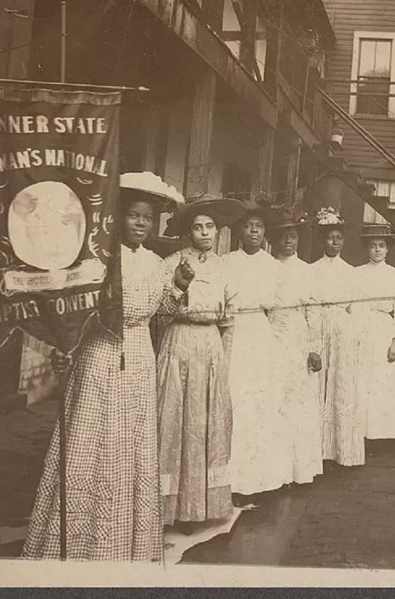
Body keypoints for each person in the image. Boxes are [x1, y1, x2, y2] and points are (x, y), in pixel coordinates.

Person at [22, 172, 192, 561]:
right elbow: (74, 309)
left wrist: (179, 286)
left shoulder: (156, 263)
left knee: (130, 446)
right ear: (120, 216)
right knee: (91, 443)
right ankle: (82, 544)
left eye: (147, 218)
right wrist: (66, 346)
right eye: (133, 215)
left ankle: (124, 544)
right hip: (100, 355)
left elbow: (161, 314)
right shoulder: (99, 258)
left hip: (139, 357)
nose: (140, 224)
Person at [156, 193, 245, 534]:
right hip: (179, 341)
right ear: (187, 232)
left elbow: (231, 317)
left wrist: (223, 358)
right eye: (198, 227)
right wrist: (180, 287)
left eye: (210, 227)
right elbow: (162, 309)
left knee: (205, 422)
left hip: (210, 345)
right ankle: (170, 506)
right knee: (174, 419)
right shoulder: (173, 263)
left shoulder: (225, 268)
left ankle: (200, 506)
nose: (205, 233)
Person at [222, 198, 291, 500]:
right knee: (234, 400)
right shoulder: (226, 262)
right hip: (233, 332)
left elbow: (278, 309)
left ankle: (261, 479)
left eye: (259, 227)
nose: (253, 231)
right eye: (248, 227)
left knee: (260, 403)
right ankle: (230, 480)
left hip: (260, 335)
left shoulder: (273, 265)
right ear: (239, 232)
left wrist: (275, 346)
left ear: (265, 233)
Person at [267, 206, 323, 485]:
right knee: (274, 400)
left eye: (293, 236)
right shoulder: (268, 267)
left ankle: (299, 470)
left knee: (298, 402)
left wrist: (315, 347)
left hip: (299, 336)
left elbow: (314, 309)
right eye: (283, 237)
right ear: (275, 241)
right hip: (273, 335)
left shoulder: (307, 271)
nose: (288, 241)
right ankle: (276, 472)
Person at [311, 207, 364, 467]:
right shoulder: (311, 270)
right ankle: (318, 451)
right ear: (323, 241)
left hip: (343, 328)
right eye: (330, 238)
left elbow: (357, 307)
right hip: (319, 325)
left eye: (339, 238)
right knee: (318, 385)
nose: (335, 242)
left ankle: (343, 450)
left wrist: (354, 335)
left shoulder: (351, 272)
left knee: (342, 386)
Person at [351, 224, 395, 450]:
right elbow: (353, 306)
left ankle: (388, 435)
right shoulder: (357, 273)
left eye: (381, 246)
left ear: (388, 250)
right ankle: (364, 435)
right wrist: (354, 334)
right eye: (373, 246)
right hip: (363, 328)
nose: (377, 250)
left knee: (386, 382)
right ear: (367, 249)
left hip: (386, 330)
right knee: (364, 381)